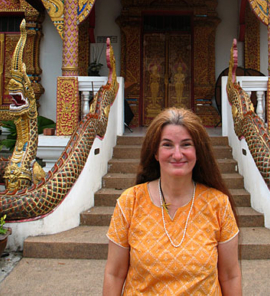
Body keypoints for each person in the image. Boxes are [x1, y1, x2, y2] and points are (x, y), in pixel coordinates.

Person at [103, 107, 242, 295]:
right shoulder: (130, 202)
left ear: (198, 151)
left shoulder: (218, 204)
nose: (177, 155)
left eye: (186, 145)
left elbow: (230, 276)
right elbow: (115, 273)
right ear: (155, 152)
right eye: (167, 145)